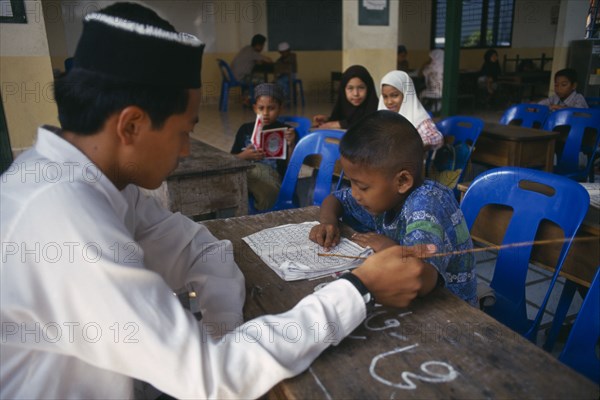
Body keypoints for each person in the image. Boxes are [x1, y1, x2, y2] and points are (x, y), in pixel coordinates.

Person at [0, 3, 438, 398]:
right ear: (131, 126)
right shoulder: (60, 218)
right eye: (184, 132)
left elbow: (203, 248)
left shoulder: (101, 187)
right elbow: (208, 381)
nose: (187, 150)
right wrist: (359, 289)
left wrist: (222, 337)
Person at [309, 111, 477, 306]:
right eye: (351, 183)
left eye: (362, 186)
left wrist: (388, 248)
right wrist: (328, 222)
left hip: (453, 310)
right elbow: (334, 199)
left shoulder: (427, 205)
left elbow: (422, 277)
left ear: (403, 181)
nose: (355, 194)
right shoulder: (387, 194)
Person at [230, 83, 297, 210]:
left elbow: (292, 166)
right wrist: (243, 156)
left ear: (280, 108)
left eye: (271, 108)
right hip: (246, 173)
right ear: (255, 108)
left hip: (272, 176)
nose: (265, 113)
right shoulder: (245, 129)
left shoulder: (287, 131)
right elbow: (232, 158)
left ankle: (261, 214)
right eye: (261, 108)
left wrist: (291, 145)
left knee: (267, 190)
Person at [378, 70, 443, 151]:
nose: (389, 102)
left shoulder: (418, 118)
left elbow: (436, 138)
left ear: (406, 94)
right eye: (385, 97)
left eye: (394, 95)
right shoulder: (382, 119)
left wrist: (411, 144)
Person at [312, 65, 378, 129]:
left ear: (369, 89)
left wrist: (340, 124)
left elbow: (366, 124)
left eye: (361, 87)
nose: (356, 93)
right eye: (350, 88)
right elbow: (350, 120)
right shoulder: (344, 106)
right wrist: (328, 120)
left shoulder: (377, 110)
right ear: (343, 90)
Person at [419, 49, 444, 113]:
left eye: (431, 58)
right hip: (446, 92)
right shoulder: (446, 66)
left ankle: (421, 111)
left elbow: (420, 74)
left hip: (436, 92)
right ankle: (436, 107)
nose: (430, 59)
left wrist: (424, 64)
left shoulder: (432, 67)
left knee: (421, 94)